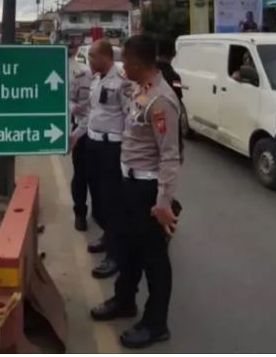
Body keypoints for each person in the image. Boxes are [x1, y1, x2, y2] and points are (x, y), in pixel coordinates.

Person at [90, 34, 181, 349]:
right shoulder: (141, 91)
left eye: (125, 60)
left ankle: (157, 324)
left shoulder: (161, 102)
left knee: (154, 260)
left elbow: (170, 156)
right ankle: (124, 300)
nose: (121, 65)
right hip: (128, 184)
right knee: (125, 248)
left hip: (148, 190)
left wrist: (163, 202)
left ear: (138, 63)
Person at [85, 39, 131, 279]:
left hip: (111, 147)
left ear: (105, 57)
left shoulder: (121, 80)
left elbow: (129, 116)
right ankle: (107, 236)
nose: (89, 61)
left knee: (113, 202)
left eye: (92, 56)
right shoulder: (96, 78)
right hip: (93, 144)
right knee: (100, 198)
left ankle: (114, 254)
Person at [69, 41, 93, 232]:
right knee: (80, 176)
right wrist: (71, 108)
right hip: (80, 131)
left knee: (100, 178)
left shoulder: (86, 72)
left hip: (98, 134)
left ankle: (101, 214)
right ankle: (80, 213)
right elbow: (69, 100)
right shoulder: (78, 74)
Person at [155, 36, 182, 102]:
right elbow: (178, 97)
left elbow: (142, 96)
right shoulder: (175, 78)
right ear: (173, 54)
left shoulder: (148, 72)